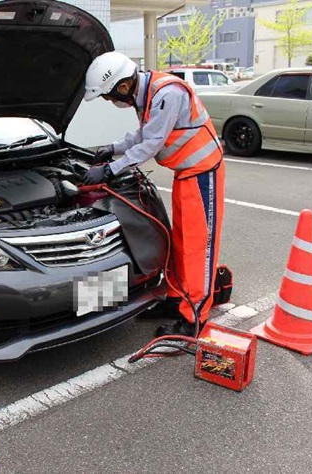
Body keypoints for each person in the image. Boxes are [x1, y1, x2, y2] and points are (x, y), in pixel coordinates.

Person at [83, 52, 225, 337]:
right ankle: (175, 300)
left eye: (109, 96)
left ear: (123, 86)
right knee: (180, 242)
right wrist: (112, 147)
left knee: (198, 247)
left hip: (202, 172)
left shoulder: (167, 94)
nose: (111, 102)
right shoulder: (148, 94)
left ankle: (194, 318)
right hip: (186, 175)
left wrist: (110, 170)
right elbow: (143, 135)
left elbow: (151, 144)